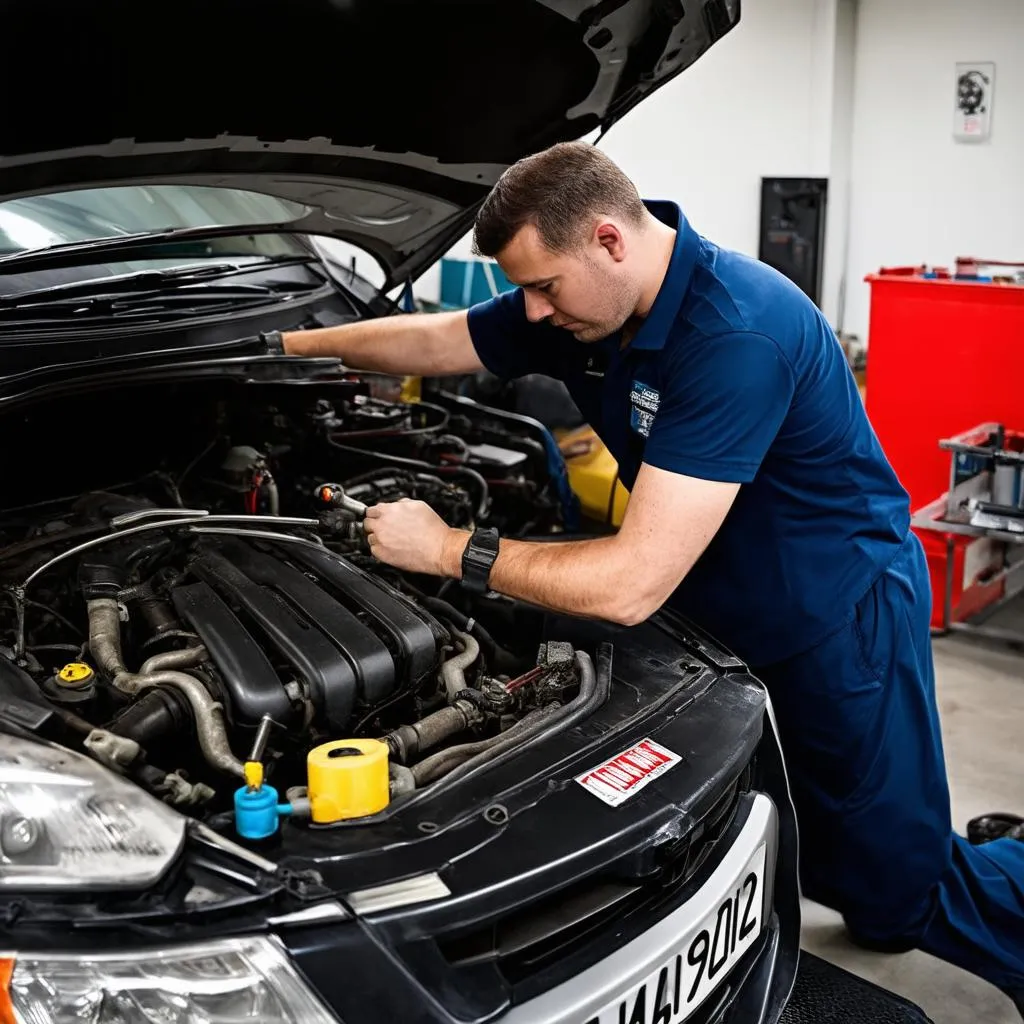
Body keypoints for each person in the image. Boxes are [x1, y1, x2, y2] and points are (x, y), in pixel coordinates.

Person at [277, 141, 1024, 1012]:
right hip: (714, 595)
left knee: (899, 888)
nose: (533, 311)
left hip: (833, 613)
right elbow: (441, 337)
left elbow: (629, 583)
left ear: (609, 239)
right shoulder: (583, 300)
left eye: (544, 287)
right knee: (796, 829)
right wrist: (288, 343)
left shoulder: (737, 331)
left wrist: (448, 548)